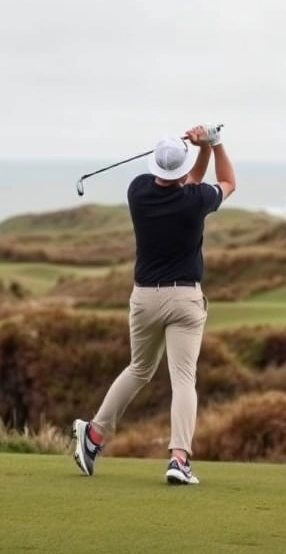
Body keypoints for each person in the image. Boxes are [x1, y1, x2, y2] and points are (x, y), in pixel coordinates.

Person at [71, 123, 236, 485]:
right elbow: (227, 183)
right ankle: (178, 460)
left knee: (139, 369)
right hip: (185, 299)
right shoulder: (195, 202)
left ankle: (95, 435)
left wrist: (199, 149)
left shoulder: (138, 191)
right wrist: (214, 143)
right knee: (183, 380)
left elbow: (187, 178)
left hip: (145, 298)